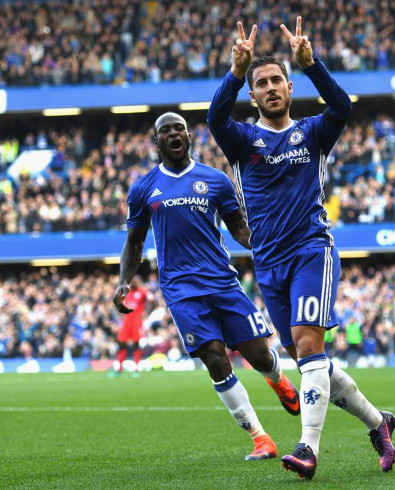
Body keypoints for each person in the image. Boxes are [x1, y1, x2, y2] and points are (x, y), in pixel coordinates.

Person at [207, 18, 395, 479]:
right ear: (252, 96)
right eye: (261, 84)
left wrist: (312, 65)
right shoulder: (242, 140)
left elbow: (342, 105)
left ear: (289, 88)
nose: (270, 88)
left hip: (312, 250)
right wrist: (236, 72)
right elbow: (214, 118)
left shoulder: (312, 133)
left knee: (311, 346)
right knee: (310, 362)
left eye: (277, 80)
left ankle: (307, 450)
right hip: (268, 263)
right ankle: (379, 423)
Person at [113, 111, 301, 461]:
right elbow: (135, 242)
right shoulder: (143, 188)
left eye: (179, 129)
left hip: (222, 281)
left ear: (188, 136)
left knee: (258, 355)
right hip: (180, 289)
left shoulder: (215, 180)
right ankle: (261, 438)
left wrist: (263, 241)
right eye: (165, 131)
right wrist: (124, 281)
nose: (173, 134)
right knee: (215, 359)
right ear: (156, 141)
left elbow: (239, 228)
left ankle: (277, 379)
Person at [109, 274, 151, 377]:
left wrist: (146, 312)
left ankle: (136, 369)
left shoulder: (143, 292)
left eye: (137, 282)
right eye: (133, 281)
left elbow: (152, 301)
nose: (135, 283)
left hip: (137, 322)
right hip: (126, 321)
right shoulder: (125, 291)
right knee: (121, 344)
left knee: (136, 344)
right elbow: (116, 301)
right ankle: (119, 369)